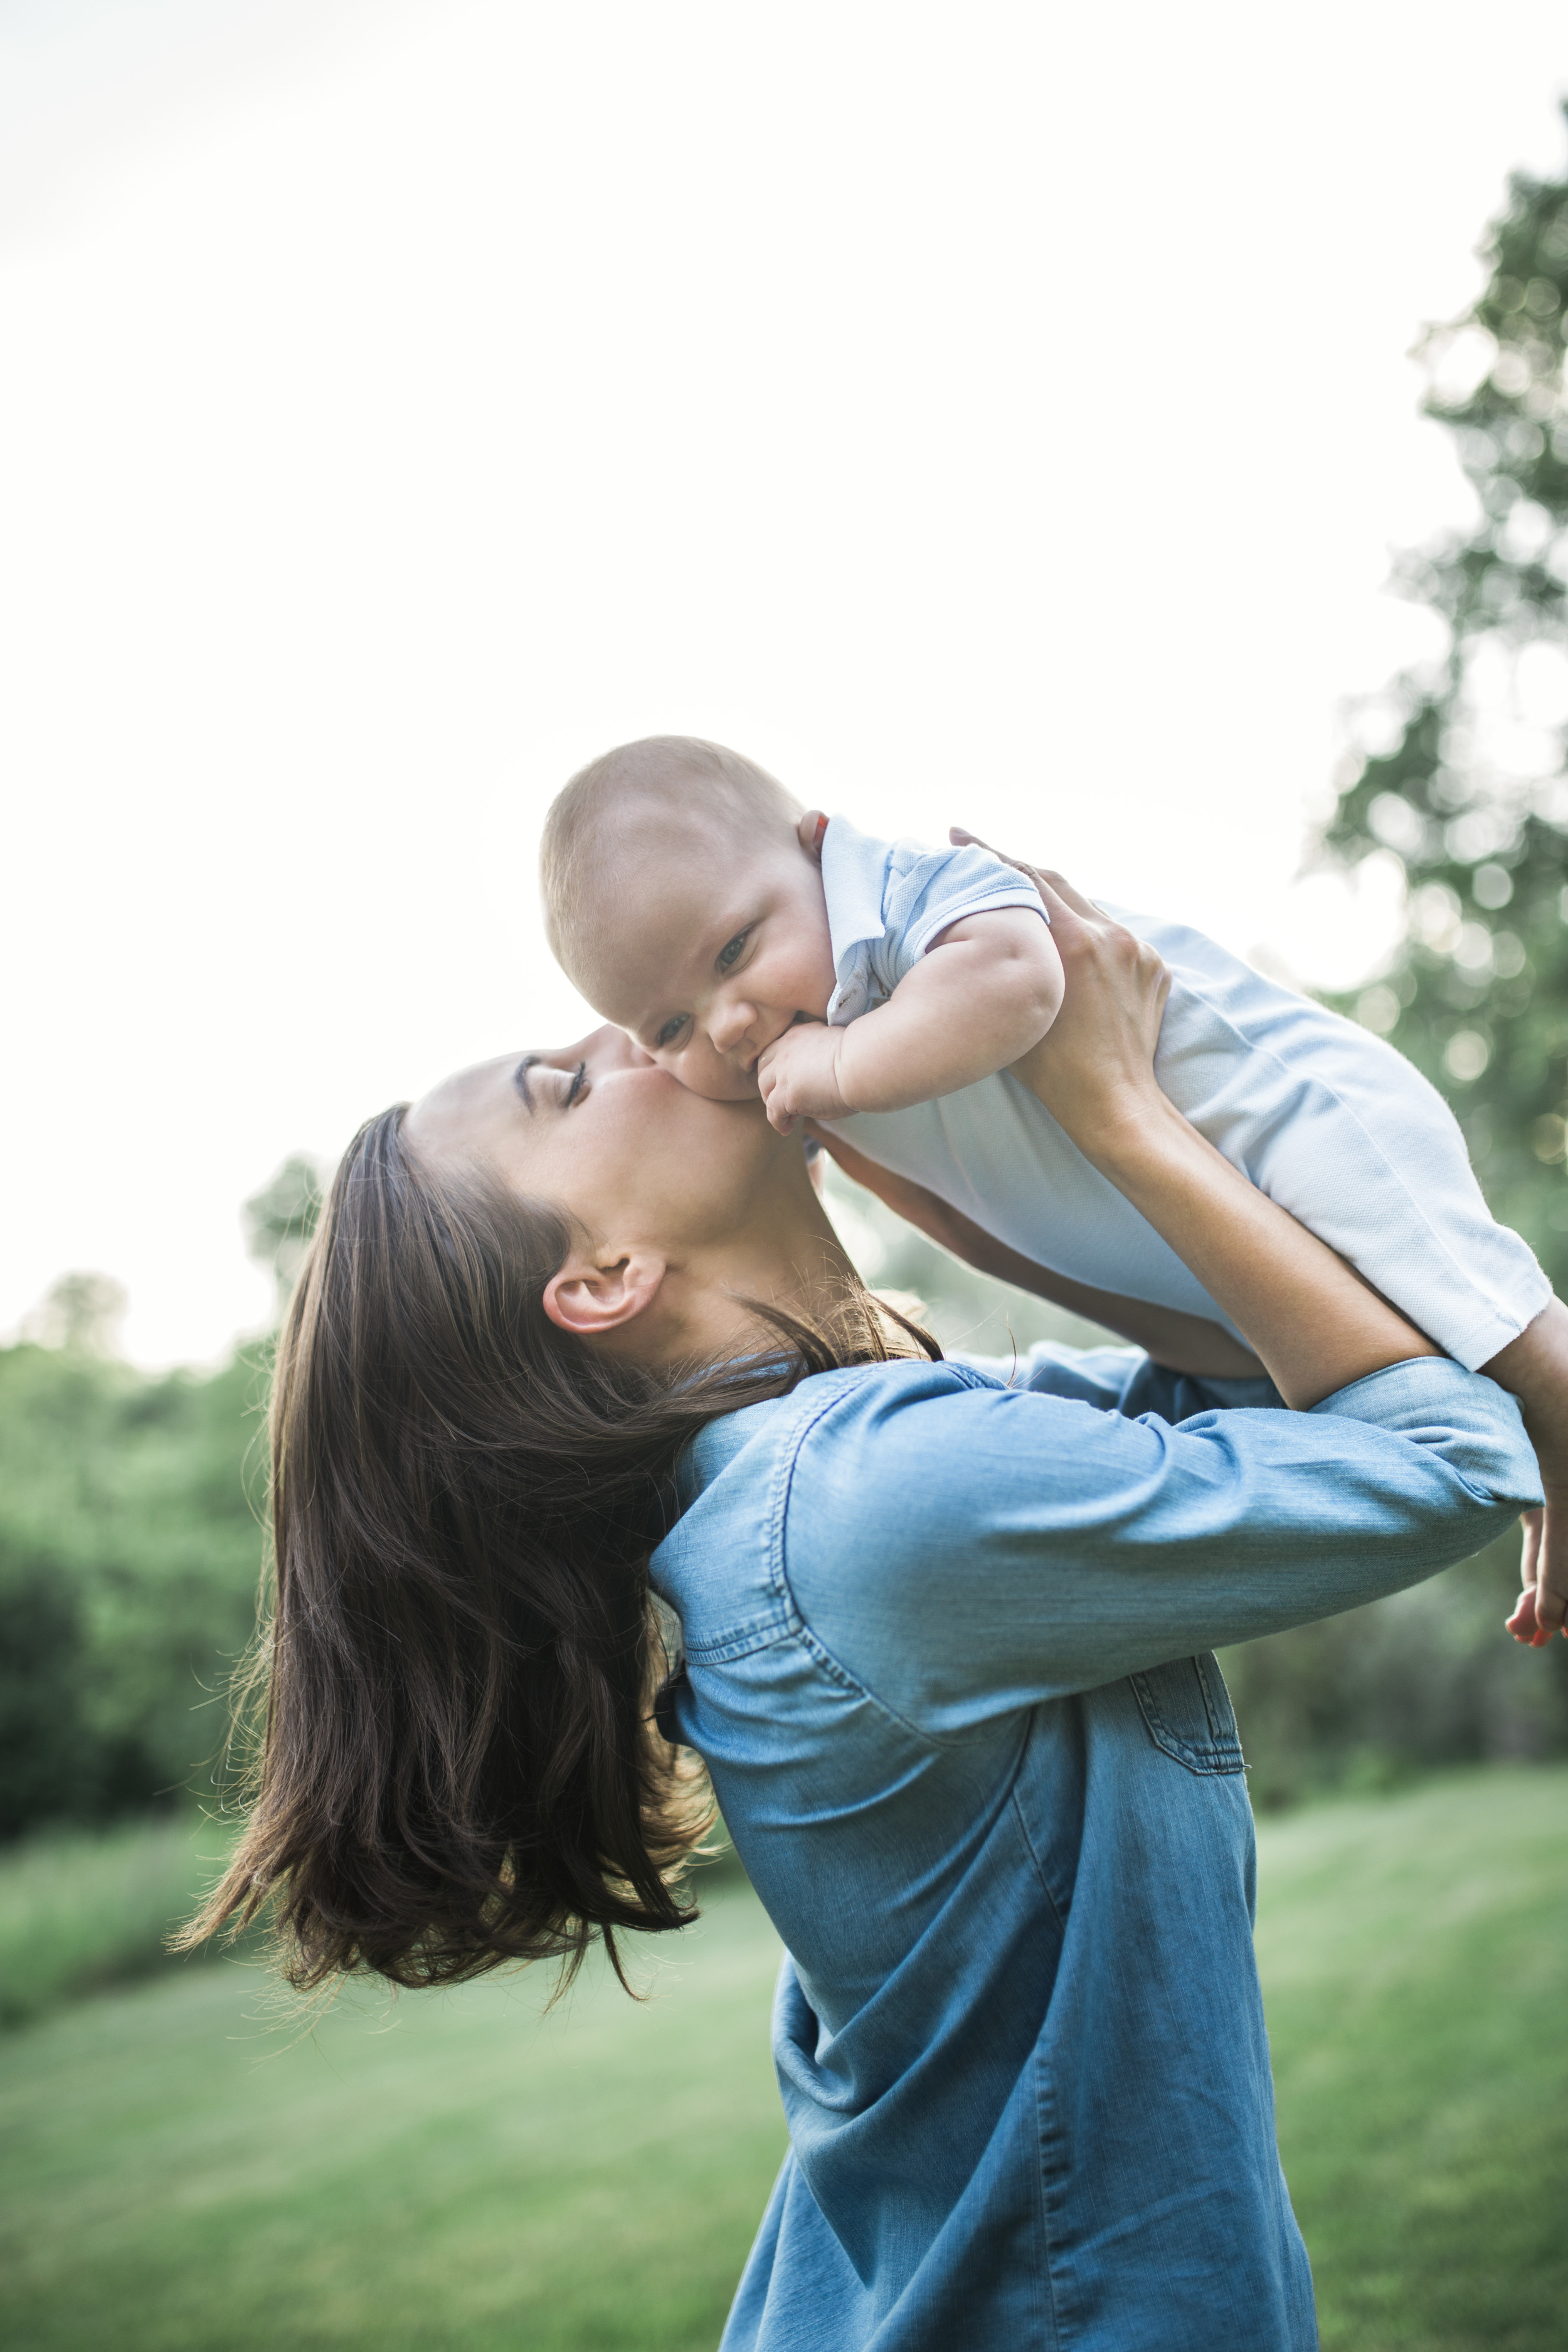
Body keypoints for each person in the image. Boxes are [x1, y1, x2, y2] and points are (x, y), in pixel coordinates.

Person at [188, 882, 1540, 2349]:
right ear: (603, 1278)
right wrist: (1113, 1113)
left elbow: (1273, 1374)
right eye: (567, 1088)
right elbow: (1443, 1452)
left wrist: (959, 1186)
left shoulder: (868, 1458)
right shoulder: (863, 1513)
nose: (628, 1038)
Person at [538, 733, 1568, 1644]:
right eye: (670, 1028)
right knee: (1395, 1343)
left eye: (733, 951)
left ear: (816, 845)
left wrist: (846, 1071)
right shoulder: (809, 1035)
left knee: (1474, 1309)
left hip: (1284, 1105)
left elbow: (1020, 978)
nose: (727, 1025)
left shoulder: (897, 896)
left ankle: (1554, 1383)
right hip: (1185, 1206)